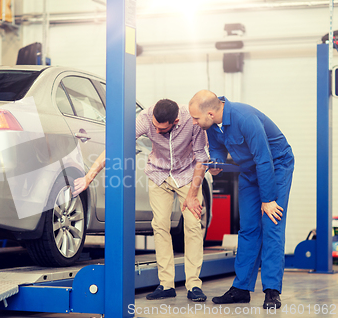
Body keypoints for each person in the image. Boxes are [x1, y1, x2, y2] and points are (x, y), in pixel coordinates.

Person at [73, 99, 209, 301]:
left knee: (192, 225)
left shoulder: (192, 121)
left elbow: (201, 158)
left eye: (161, 129)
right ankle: (166, 284)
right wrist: (88, 177)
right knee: (160, 225)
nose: (156, 131)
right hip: (158, 174)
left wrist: (191, 196)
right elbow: (116, 146)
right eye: (154, 126)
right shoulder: (145, 118)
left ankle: (193, 285)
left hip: (187, 175)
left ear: (176, 121)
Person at [188, 90, 294, 310]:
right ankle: (241, 289)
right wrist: (216, 164)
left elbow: (265, 159)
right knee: (248, 228)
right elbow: (217, 149)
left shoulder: (244, 118)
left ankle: (272, 291)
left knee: (271, 224)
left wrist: (268, 199)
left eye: (196, 118)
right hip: (249, 170)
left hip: (276, 165)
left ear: (209, 112)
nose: (194, 123)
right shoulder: (213, 125)